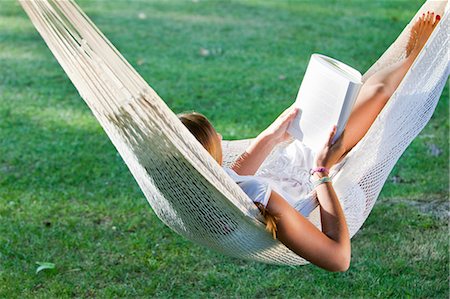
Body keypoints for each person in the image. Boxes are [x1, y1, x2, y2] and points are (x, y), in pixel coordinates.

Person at [178, 13, 439, 272]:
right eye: (215, 137)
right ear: (206, 154)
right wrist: (322, 170)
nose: (222, 138)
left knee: (357, 93)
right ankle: (414, 59)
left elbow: (233, 179)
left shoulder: (199, 184)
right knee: (378, 93)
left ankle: (406, 62)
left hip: (292, 164)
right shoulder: (258, 197)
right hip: (321, 178)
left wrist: (270, 136)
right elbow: (338, 259)